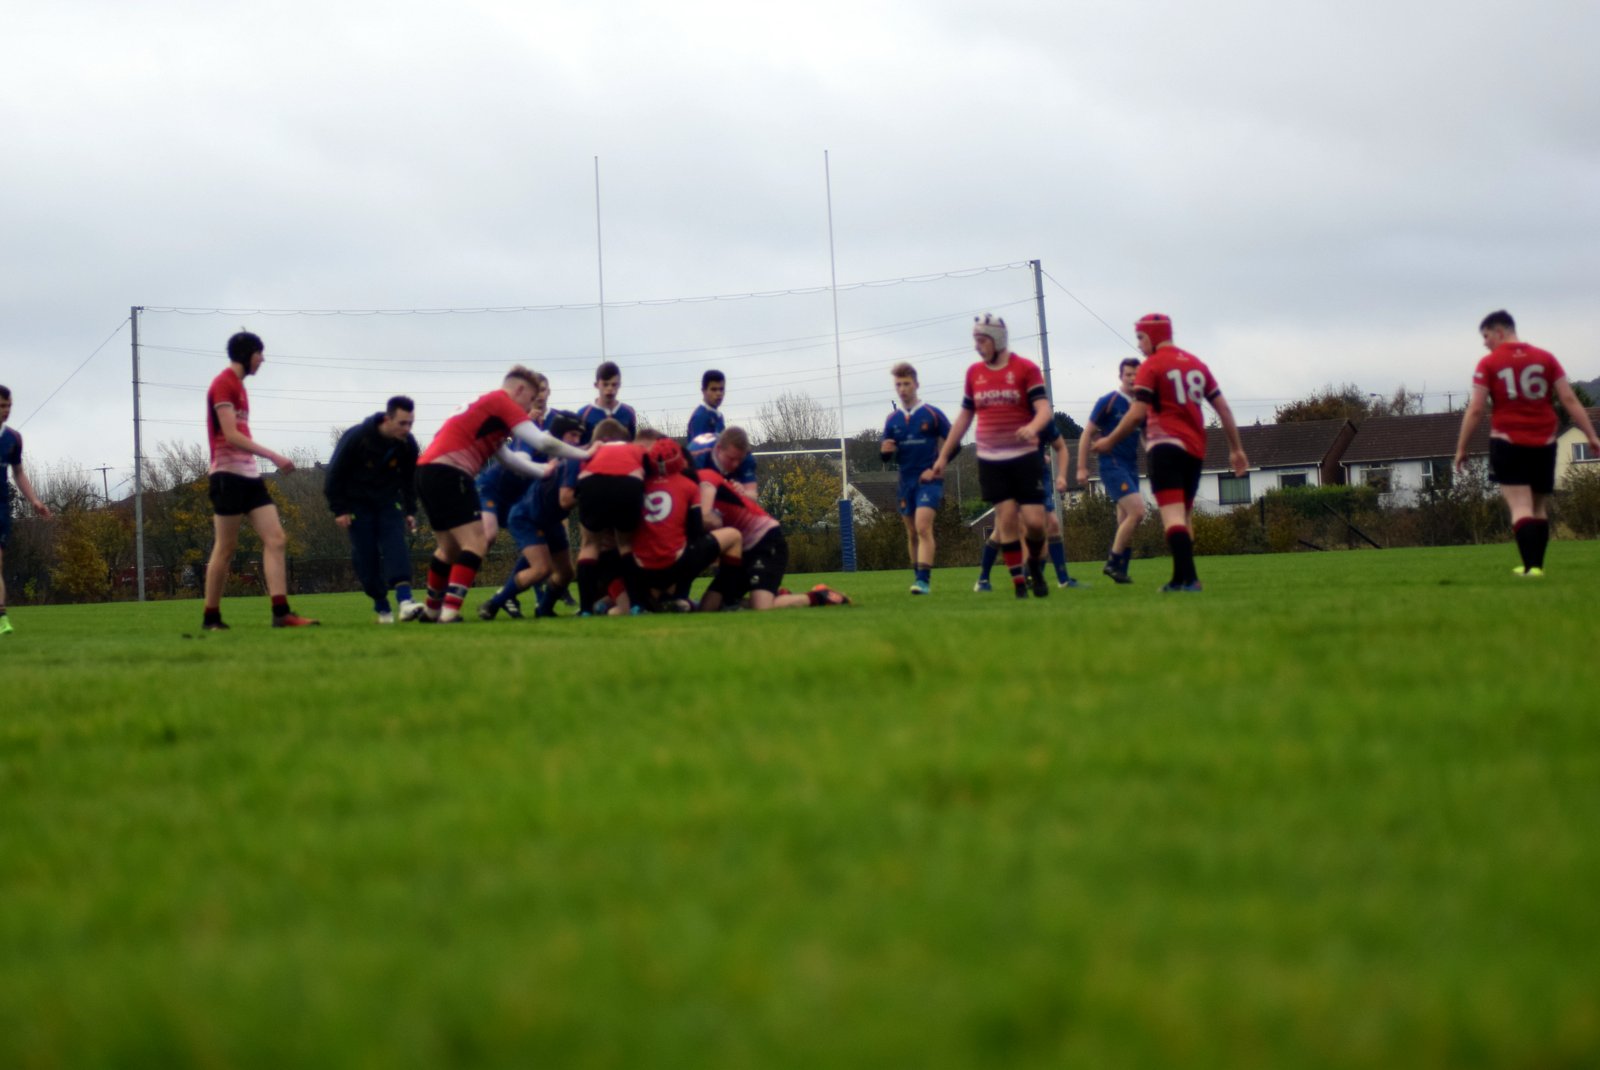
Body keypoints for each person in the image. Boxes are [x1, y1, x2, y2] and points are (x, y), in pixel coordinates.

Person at [410, 366, 589, 622]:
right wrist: (586, 453)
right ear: (519, 389)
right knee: (477, 542)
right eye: (530, 400)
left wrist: (542, 471)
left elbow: (507, 459)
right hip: (450, 472)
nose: (529, 408)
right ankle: (450, 612)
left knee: (448, 550)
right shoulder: (502, 402)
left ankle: (431, 610)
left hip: (426, 472)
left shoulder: (487, 409)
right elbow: (543, 442)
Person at [1093, 314, 1248, 592]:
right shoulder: (1197, 364)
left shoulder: (1151, 366)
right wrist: (1236, 449)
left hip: (1164, 447)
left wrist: (1110, 440)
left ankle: (1189, 581)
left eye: (1141, 338)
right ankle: (1181, 579)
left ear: (1153, 336)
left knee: (1172, 518)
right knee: (1184, 515)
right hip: (1195, 449)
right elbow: (1223, 409)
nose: (1139, 345)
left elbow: (1137, 413)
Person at [1452, 309, 1600, 577]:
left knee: (1520, 506)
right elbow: (1569, 399)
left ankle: (1530, 568)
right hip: (1545, 441)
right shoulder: (1546, 358)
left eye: (1486, 336)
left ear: (1499, 332)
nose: (1484, 343)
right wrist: (1591, 435)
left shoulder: (1489, 363)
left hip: (1508, 441)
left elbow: (1476, 409)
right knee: (1538, 507)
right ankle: (1537, 567)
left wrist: (1461, 447)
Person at [927, 313, 1054, 598]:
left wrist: (1032, 427)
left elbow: (1044, 410)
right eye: (975, 340)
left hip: (1024, 457)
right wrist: (943, 457)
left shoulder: (1026, 369)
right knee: (1006, 519)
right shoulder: (974, 373)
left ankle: (1034, 566)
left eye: (981, 340)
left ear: (997, 339)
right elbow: (964, 418)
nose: (977, 346)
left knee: (1035, 523)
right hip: (991, 459)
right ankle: (1019, 584)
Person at [199, 332, 319, 630]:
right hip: (227, 476)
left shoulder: (240, 387)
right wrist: (273, 455)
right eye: (259, 354)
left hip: (250, 477)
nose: (262, 359)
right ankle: (211, 617)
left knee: (276, 539)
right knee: (226, 548)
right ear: (246, 354)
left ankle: (281, 613)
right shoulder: (223, 383)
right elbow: (230, 435)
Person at [696, 463, 849, 611]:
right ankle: (780, 597)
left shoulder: (706, 481)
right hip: (739, 551)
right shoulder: (700, 487)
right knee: (709, 606)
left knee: (762, 606)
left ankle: (820, 596)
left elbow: (710, 521)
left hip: (765, 542)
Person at [478, 410, 585, 620]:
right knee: (541, 568)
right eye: (572, 435)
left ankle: (543, 609)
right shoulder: (541, 447)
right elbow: (565, 499)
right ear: (558, 434)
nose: (576, 441)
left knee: (566, 573)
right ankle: (494, 603)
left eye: (579, 436)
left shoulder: (569, 456)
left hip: (546, 517)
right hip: (523, 513)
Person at [324, 396, 421, 624]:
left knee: (396, 544)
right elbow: (334, 474)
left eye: (410, 423)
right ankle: (382, 606)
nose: (407, 429)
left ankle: (405, 601)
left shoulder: (407, 444)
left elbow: (409, 480)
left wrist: (410, 510)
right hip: (357, 505)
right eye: (402, 423)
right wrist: (340, 509)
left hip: (388, 502)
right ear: (387, 419)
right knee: (365, 557)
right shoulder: (358, 437)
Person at [621, 437, 742, 614]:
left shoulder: (640, 485)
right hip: (673, 564)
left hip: (641, 567)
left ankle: (650, 601)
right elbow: (696, 530)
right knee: (732, 536)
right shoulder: (688, 485)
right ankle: (727, 601)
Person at [973, 420, 1077, 590]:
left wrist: (1061, 476)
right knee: (1003, 528)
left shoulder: (1042, 419)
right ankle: (984, 579)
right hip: (1011, 476)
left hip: (1038, 477)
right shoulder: (1010, 417)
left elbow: (1060, 447)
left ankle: (1058, 579)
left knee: (1051, 524)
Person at [882, 363, 952, 595]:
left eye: (906, 384)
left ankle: (923, 581)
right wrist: (886, 451)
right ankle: (918, 577)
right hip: (906, 482)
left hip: (929, 481)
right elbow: (885, 456)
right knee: (912, 533)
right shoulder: (893, 420)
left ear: (916, 385)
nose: (902, 389)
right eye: (898, 385)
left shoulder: (932, 414)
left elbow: (954, 443)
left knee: (923, 527)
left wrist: (937, 467)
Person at [1077, 357, 1146, 583]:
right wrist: (1081, 467)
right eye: (1128, 375)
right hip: (1112, 464)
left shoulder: (1141, 406)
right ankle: (1112, 562)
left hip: (1131, 466)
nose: (1132, 379)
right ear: (1120, 377)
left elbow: (1146, 437)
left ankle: (1121, 571)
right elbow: (1087, 433)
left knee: (1126, 519)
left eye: (1136, 375)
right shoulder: (1109, 401)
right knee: (1137, 512)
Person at [573, 418, 648, 614]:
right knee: (625, 545)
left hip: (591, 483)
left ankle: (585, 609)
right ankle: (636, 605)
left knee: (590, 545)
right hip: (628, 483)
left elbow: (577, 484)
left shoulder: (590, 451)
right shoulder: (635, 448)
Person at [0, 385, 53, 635]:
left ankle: (2, 619)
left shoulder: (13, 439)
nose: (6, 410)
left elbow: (18, 472)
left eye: (9, 406)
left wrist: (35, 500)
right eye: (2, 406)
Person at [689, 425, 759, 497]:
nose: (736, 464)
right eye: (731, 459)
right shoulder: (697, 454)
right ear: (719, 448)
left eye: (740, 459)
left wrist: (742, 493)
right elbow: (686, 490)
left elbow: (753, 495)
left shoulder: (746, 457)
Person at [578, 361, 638, 444]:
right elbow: (579, 446)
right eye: (605, 384)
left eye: (614, 384)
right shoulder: (584, 413)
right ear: (596, 385)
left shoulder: (628, 412)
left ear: (619, 385)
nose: (610, 388)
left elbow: (633, 443)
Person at [686, 369, 727, 441]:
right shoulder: (700, 417)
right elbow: (699, 446)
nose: (718, 393)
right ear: (703, 391)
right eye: (713, 389)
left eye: (721, 389)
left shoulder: (718, 416)